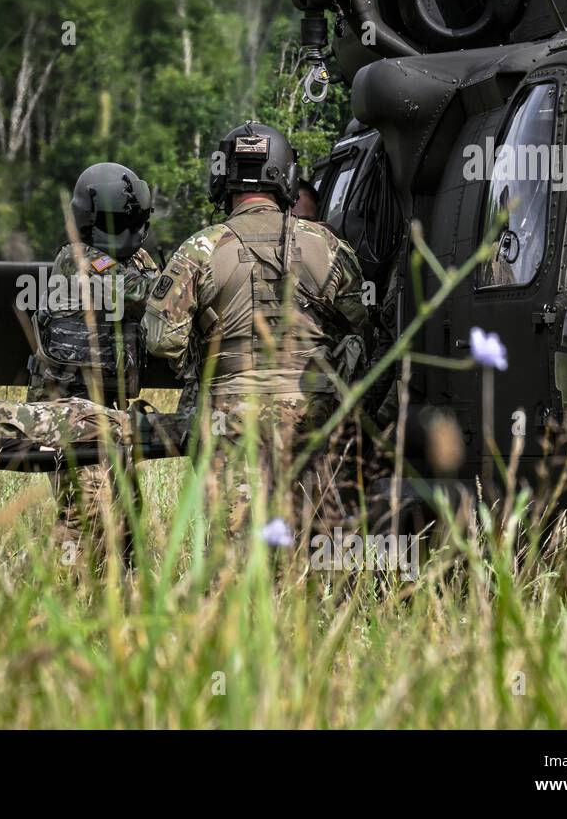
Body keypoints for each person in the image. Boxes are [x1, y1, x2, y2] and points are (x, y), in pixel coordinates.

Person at [142, 121, 369, 540]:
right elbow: (359, 327)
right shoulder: (330, 246)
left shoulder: (202, 247)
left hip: (233, 416)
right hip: (313, 412)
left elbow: (162, 340)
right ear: (287, 176)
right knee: (315, 541)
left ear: (222, 176)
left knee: (236, 549)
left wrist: (202, 358)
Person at [26, 162, 157, 569]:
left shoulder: (127, 259)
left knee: (125, 515)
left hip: (105, 410)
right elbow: (150, 295)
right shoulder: (79, 260)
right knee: (86, 515)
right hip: (70, 413)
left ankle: (122, 599)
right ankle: (61, 601)